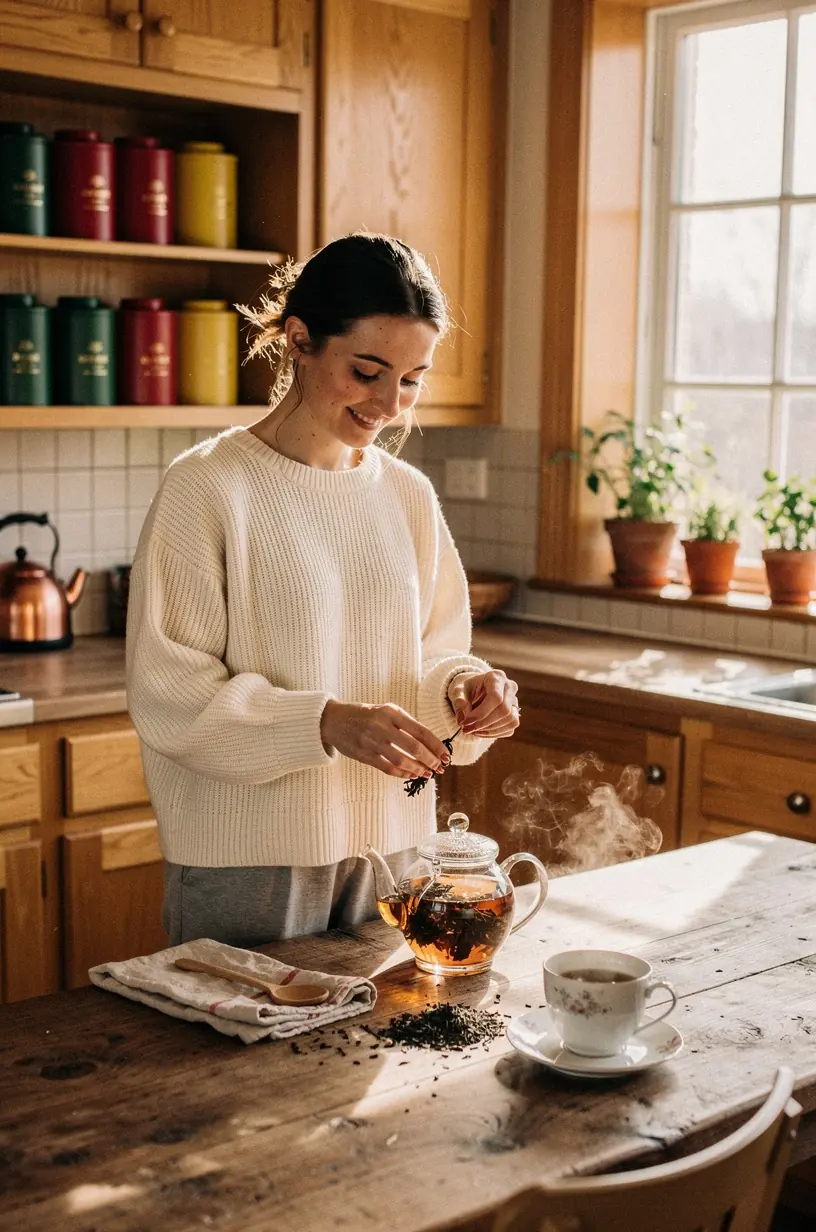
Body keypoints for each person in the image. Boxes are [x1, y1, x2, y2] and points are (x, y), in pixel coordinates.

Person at [126, 232, 521, 948]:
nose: (390, 403)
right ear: (300, 340)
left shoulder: (406, 494)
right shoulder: (207, 487)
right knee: (240, 1030)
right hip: (249, 861)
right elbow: (171, 695)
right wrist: (325, 723)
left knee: (389, 1025)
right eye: (368, 371)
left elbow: (432, 653)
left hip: (394, 852)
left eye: (412, 378)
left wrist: (466, 690)